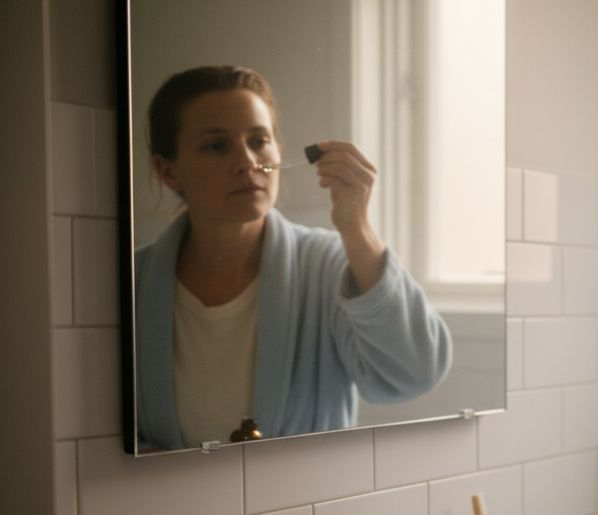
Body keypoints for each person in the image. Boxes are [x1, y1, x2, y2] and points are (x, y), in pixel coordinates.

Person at [135, 65, 450, 451]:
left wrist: (357, 228)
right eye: (216, 145)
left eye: (258, 140)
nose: (247, 162)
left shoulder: (328, 266)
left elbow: (414, 374)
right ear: (167, 171)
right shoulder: (133, 283)